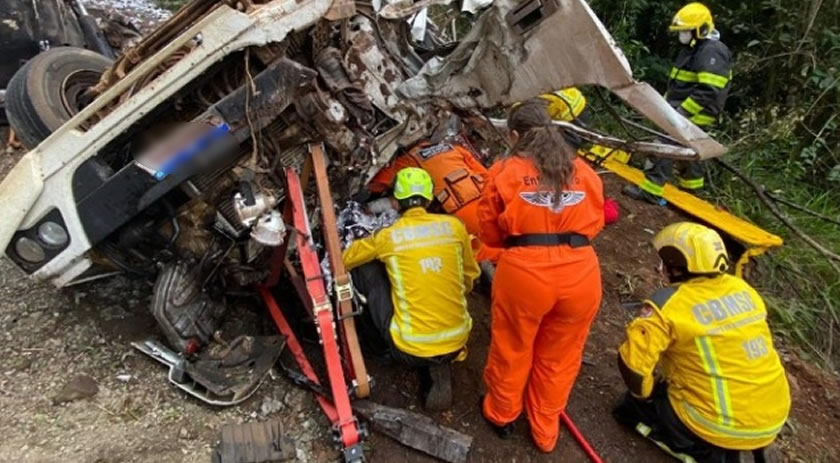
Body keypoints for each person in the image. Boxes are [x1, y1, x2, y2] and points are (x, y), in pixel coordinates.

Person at [478, 99, 605, 452]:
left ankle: (501, 414)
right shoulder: (583, 170)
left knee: (513, 345)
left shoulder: (504, 172)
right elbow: (596, 218)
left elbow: (488, 232)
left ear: (515, 135)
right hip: (581, 272)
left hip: (525, 273)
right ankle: (545, 429)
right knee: (561, 355)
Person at [614, 222, 791, 463]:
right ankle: (752, 445)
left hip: (716, 423)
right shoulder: (744, 290)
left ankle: (712, 454)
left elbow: (633, 367)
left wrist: (644, 395)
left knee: (628, 409)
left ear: (675, 268)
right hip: (773, 415)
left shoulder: (669, 304)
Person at [343, 167, 480, 410]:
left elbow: (345, 260)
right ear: (429, 198)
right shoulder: (455, 227)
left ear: (395, 202)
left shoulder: (389, 236)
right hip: (458, 340)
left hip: (408, 348)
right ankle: (439, 354)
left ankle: (378, 349)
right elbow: (470, 276)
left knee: (365, 269)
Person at [624, 2, 732, 203]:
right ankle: (690, 193)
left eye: (686, 30)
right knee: (691, 152)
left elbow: (708, 90)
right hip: (681, 111)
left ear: (701, 29)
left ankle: (651, 190)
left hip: (694, 113)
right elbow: (678, 86)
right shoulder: (694, 48)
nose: (682, 34)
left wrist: (680, 113)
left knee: (665, 146)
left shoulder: (712, 51)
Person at [367, 139, 502, 265]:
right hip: (493, 207)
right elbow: (486, 176)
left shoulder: (408, 160)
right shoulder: (455, 148)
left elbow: (374, 183)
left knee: (477, 252)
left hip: (463, 219)